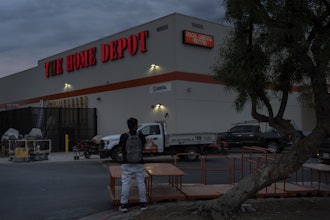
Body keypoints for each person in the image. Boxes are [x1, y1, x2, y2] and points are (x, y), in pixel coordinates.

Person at [119, 117, 147, 212]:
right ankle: (143, 204)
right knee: (141, 183)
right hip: (139, 163)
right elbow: (143, 146)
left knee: (126, 183)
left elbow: (121, 147)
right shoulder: (141, 136)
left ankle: (123, 205)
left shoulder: (124, 136)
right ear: (135, 125)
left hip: (127, 163)